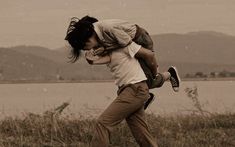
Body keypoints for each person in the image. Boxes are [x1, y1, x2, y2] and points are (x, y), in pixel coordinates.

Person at [65, 16, 180, 147]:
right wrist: (92, 60)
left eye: (84, 46)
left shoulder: (121, 41)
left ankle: (149, 91)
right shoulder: (110, 47)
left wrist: (154, 75)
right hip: (128, 90)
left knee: (103, 123)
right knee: (141, 134)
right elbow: (104, 59)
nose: (86, 50)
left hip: (135, 88)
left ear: (88, 38)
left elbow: (148, 54)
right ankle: (149, 93)